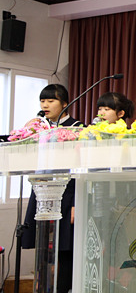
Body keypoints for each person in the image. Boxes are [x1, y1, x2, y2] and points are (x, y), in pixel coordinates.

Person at [22, 84, 82, 293]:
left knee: (65, 250)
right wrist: (26, 133)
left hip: (67, 194)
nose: (45, 105)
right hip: (43, 191)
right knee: (43, 249)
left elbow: (80, 168)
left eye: (51, 100)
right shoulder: (39, 127)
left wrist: (77, 203)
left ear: (64, 103)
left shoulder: (77, 128)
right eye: (42, 101)